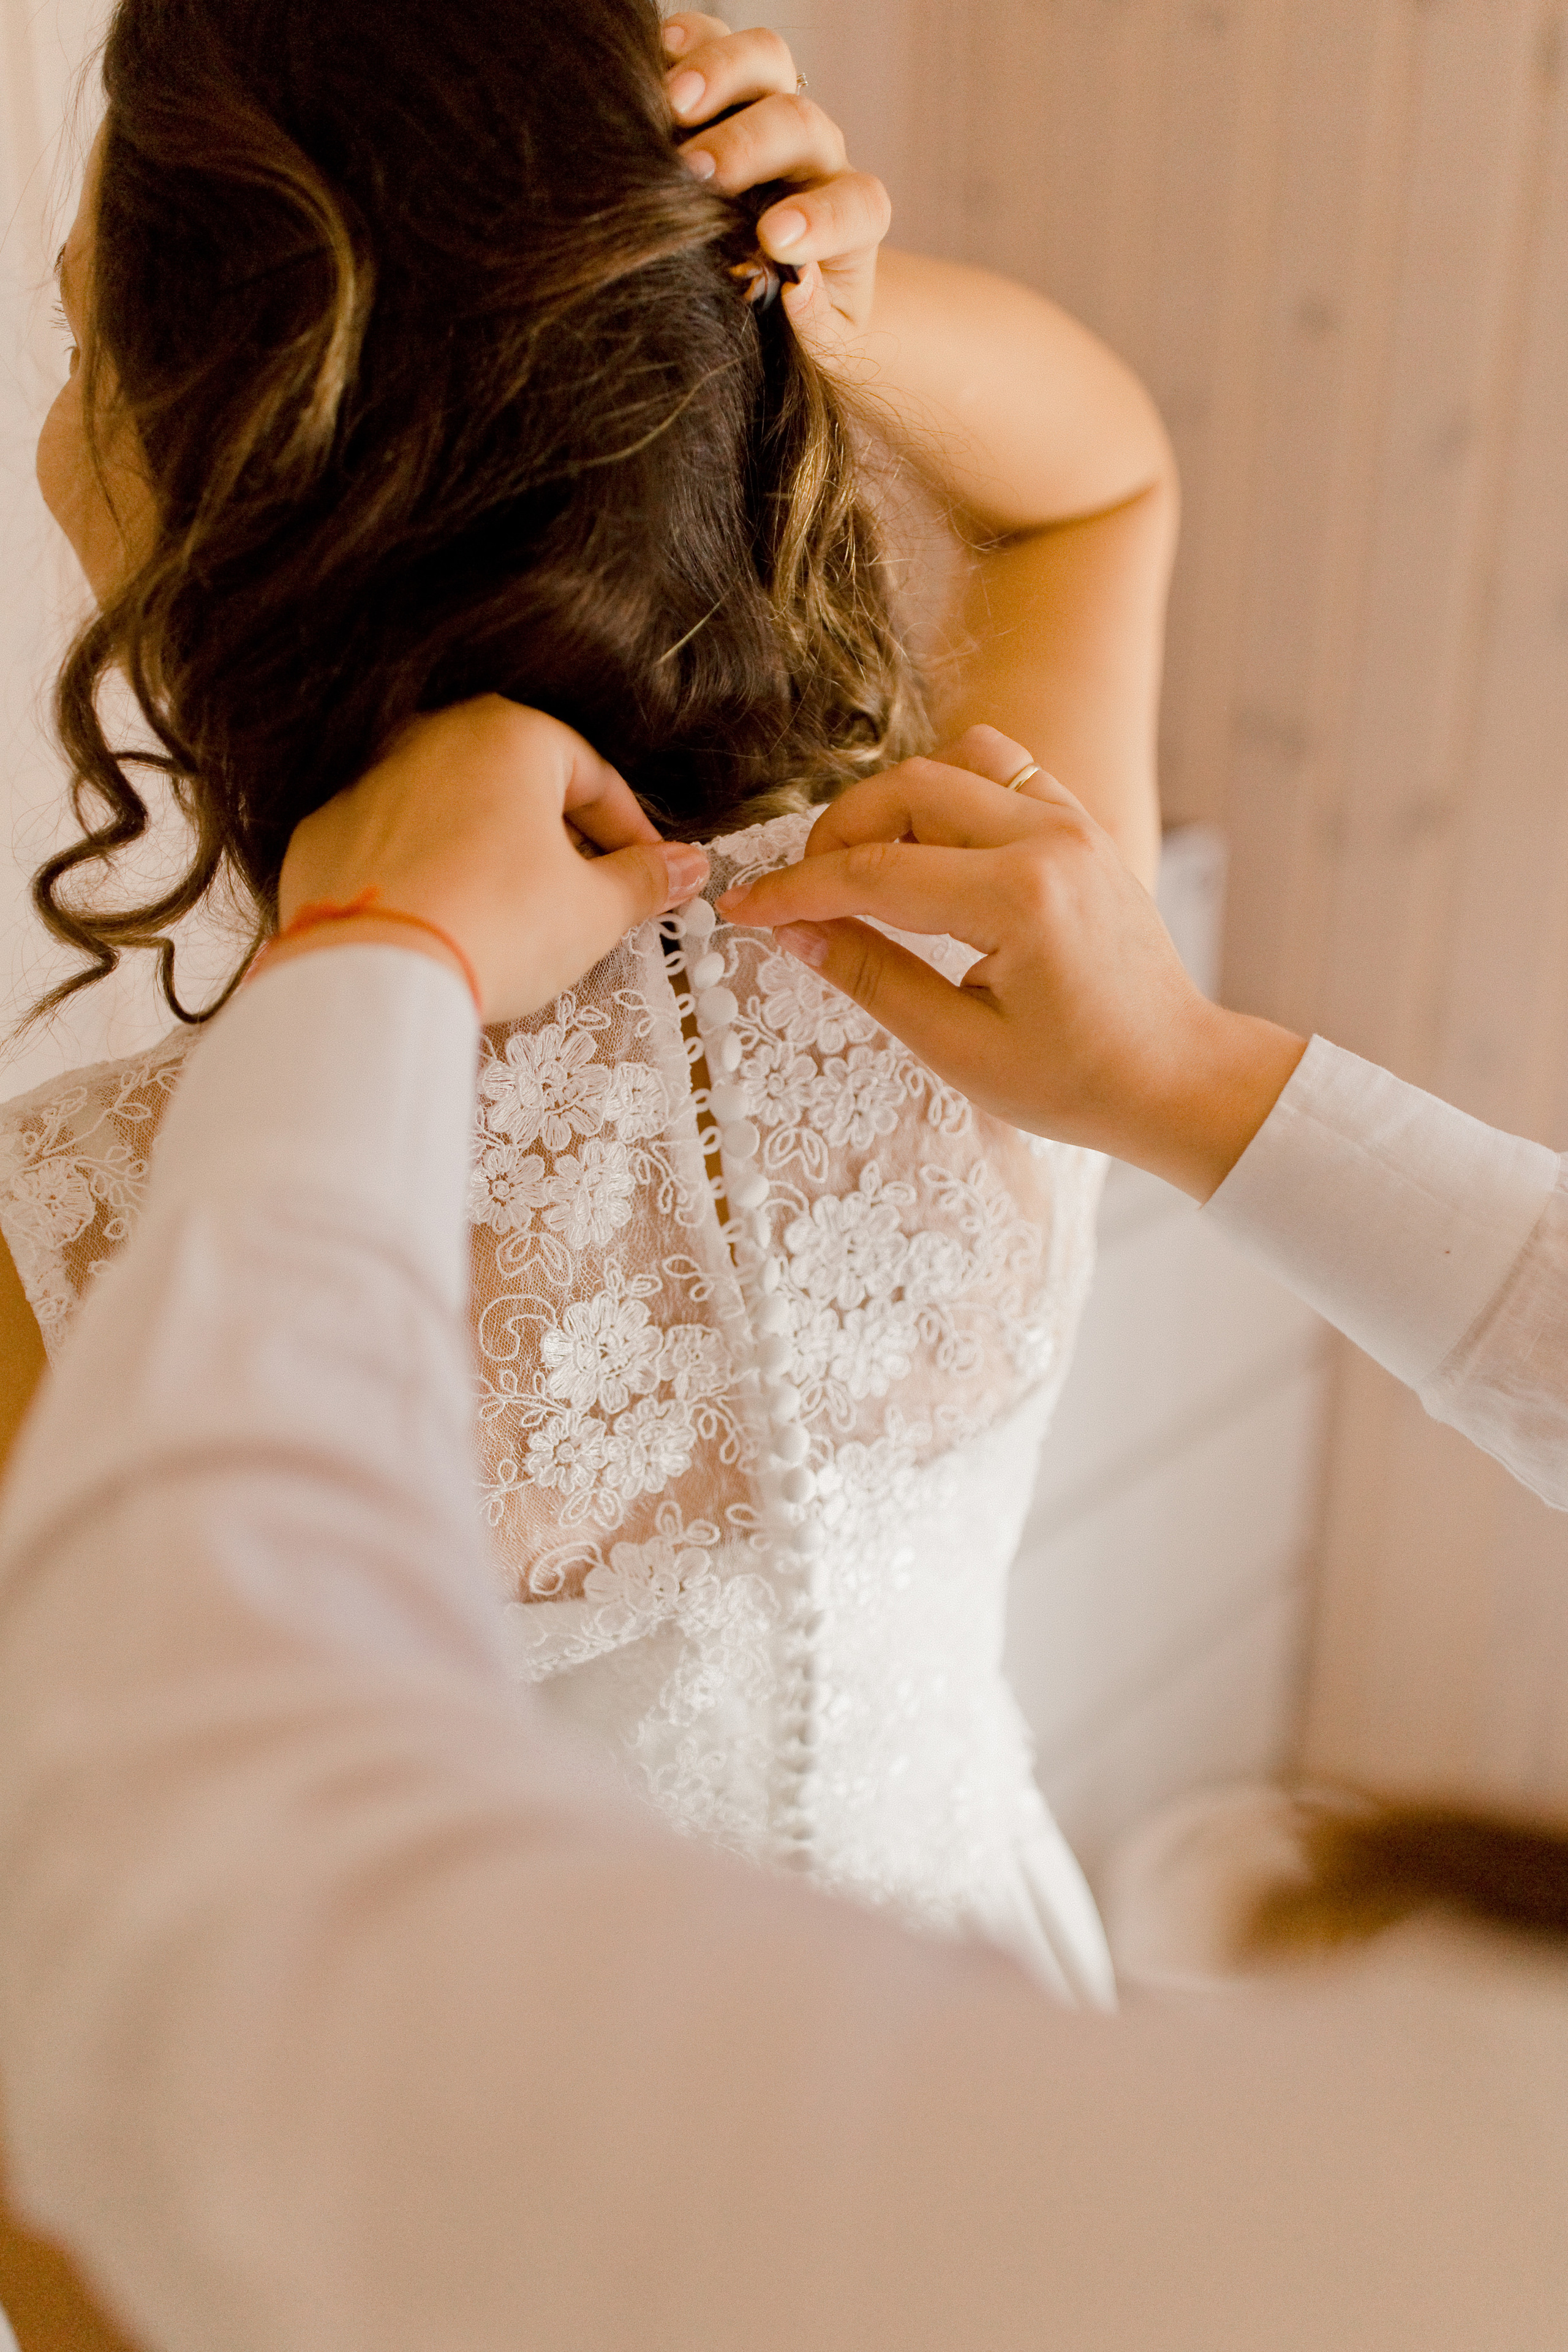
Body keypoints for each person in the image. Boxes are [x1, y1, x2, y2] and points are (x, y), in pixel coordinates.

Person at [2, 702, 1567, 2352]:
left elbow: (138, 1970)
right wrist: (1187, 1072)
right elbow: (1100, 482)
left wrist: (370, 956)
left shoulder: (1428, 2214)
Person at [0, 0, 1175, 2008]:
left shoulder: (81, 1232)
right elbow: (1095, 490)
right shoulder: (998, 924)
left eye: (92, 346)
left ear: (257, 490)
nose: (55, 405)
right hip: (1009, 2069)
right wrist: (826, 304)